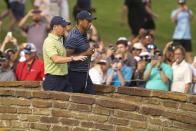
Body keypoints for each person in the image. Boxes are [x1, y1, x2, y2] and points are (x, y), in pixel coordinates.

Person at [43, 16, 87, 92]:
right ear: (55, 27)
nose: (65, 28)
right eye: (63, 26)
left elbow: (63, 55)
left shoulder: (59, 40)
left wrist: (79, 55)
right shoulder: (50, 41)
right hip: (54, 79)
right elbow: (56, 59)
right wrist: (73, 58)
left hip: (63, 78)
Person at [64, 10, 96, 94]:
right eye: (88, 21)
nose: (90, 23)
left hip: (84, 73)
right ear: (80, 21)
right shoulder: (73, 37)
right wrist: (86, 53)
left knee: (91, 99)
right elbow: (66, 57)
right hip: (74, 74)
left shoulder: (84, 34)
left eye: (91, 21)